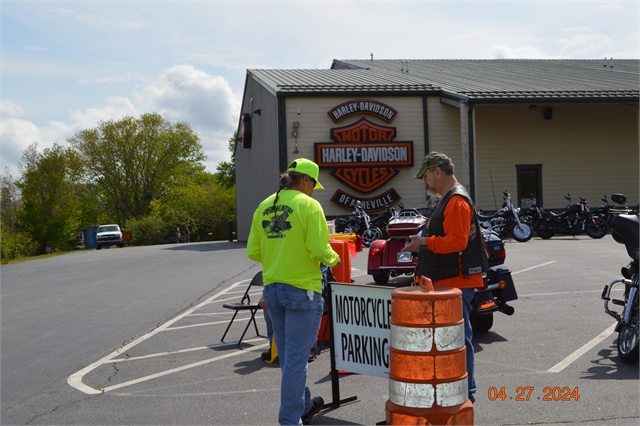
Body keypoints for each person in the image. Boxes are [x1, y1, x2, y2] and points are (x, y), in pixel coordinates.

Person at [247, 158, 340, 425]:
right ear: (307, 181)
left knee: (289, 358)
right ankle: (290, 420)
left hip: (273, 289)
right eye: (314, 185)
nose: (314, 190)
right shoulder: (309, 205)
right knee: (297, 361)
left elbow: (253, 251)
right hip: (302, 291)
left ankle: (302, 405)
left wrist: (279, 254)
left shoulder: (265, 205)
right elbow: (319, 249)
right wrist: (335, 259)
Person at [402, 151, 488, 404]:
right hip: (449, 280)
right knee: (451, 339)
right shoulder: (448, 199)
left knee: (458, 340)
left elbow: (458, 241)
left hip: (455, 282)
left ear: (437, 172)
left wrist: (424, 242)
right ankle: (458, 390)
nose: (425, 182)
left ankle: (466, 393)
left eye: (426, 176)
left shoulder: (456, 200)